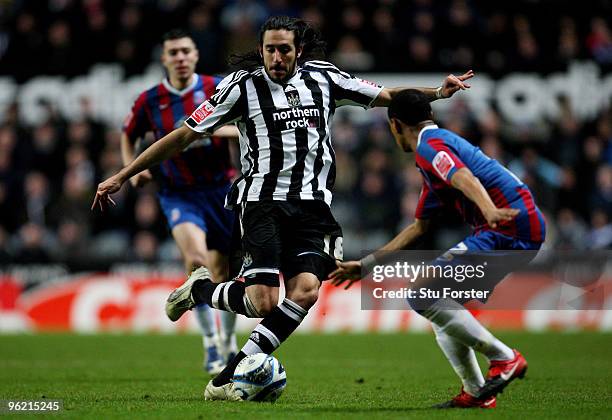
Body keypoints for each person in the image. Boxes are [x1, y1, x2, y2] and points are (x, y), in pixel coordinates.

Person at [92, 16, 473, 401]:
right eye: (270, 49)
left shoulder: (324, 78)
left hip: (313, 208)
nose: (277, 57)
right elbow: (184, 135)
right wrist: (124, 174)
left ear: (298, 51)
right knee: (262, 303)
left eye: (284, 49)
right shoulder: (241, 87)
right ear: (261, 50)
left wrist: (437, 93)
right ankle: (201, 290)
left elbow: (388, 95)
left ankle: (226, 378)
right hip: (261, 203)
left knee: (305, 291)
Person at [331, 89, 546, 408]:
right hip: (517, 227)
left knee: (421, 293)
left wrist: (488, 210)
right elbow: (419, 227)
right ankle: (476, 393)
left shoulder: (429, 147)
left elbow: (463, 176)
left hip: (507, 227)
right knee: (441, 306)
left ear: (396, 125)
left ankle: (505, 358)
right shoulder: (434, 156)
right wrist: (366, 265)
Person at [119, 29, 238, 374]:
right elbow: (128, 133)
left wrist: (204, 130)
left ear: (196, 55)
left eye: (186, 51)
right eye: (174, 53)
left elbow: (240, 123)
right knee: (196, 262)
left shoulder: (218, 87)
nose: (181, 58)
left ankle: (228, 343)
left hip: (222, 190)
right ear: (164, 58)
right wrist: (131, 168)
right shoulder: (150, 99)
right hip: (179, 193)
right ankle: (210, 346)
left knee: (225, 272)